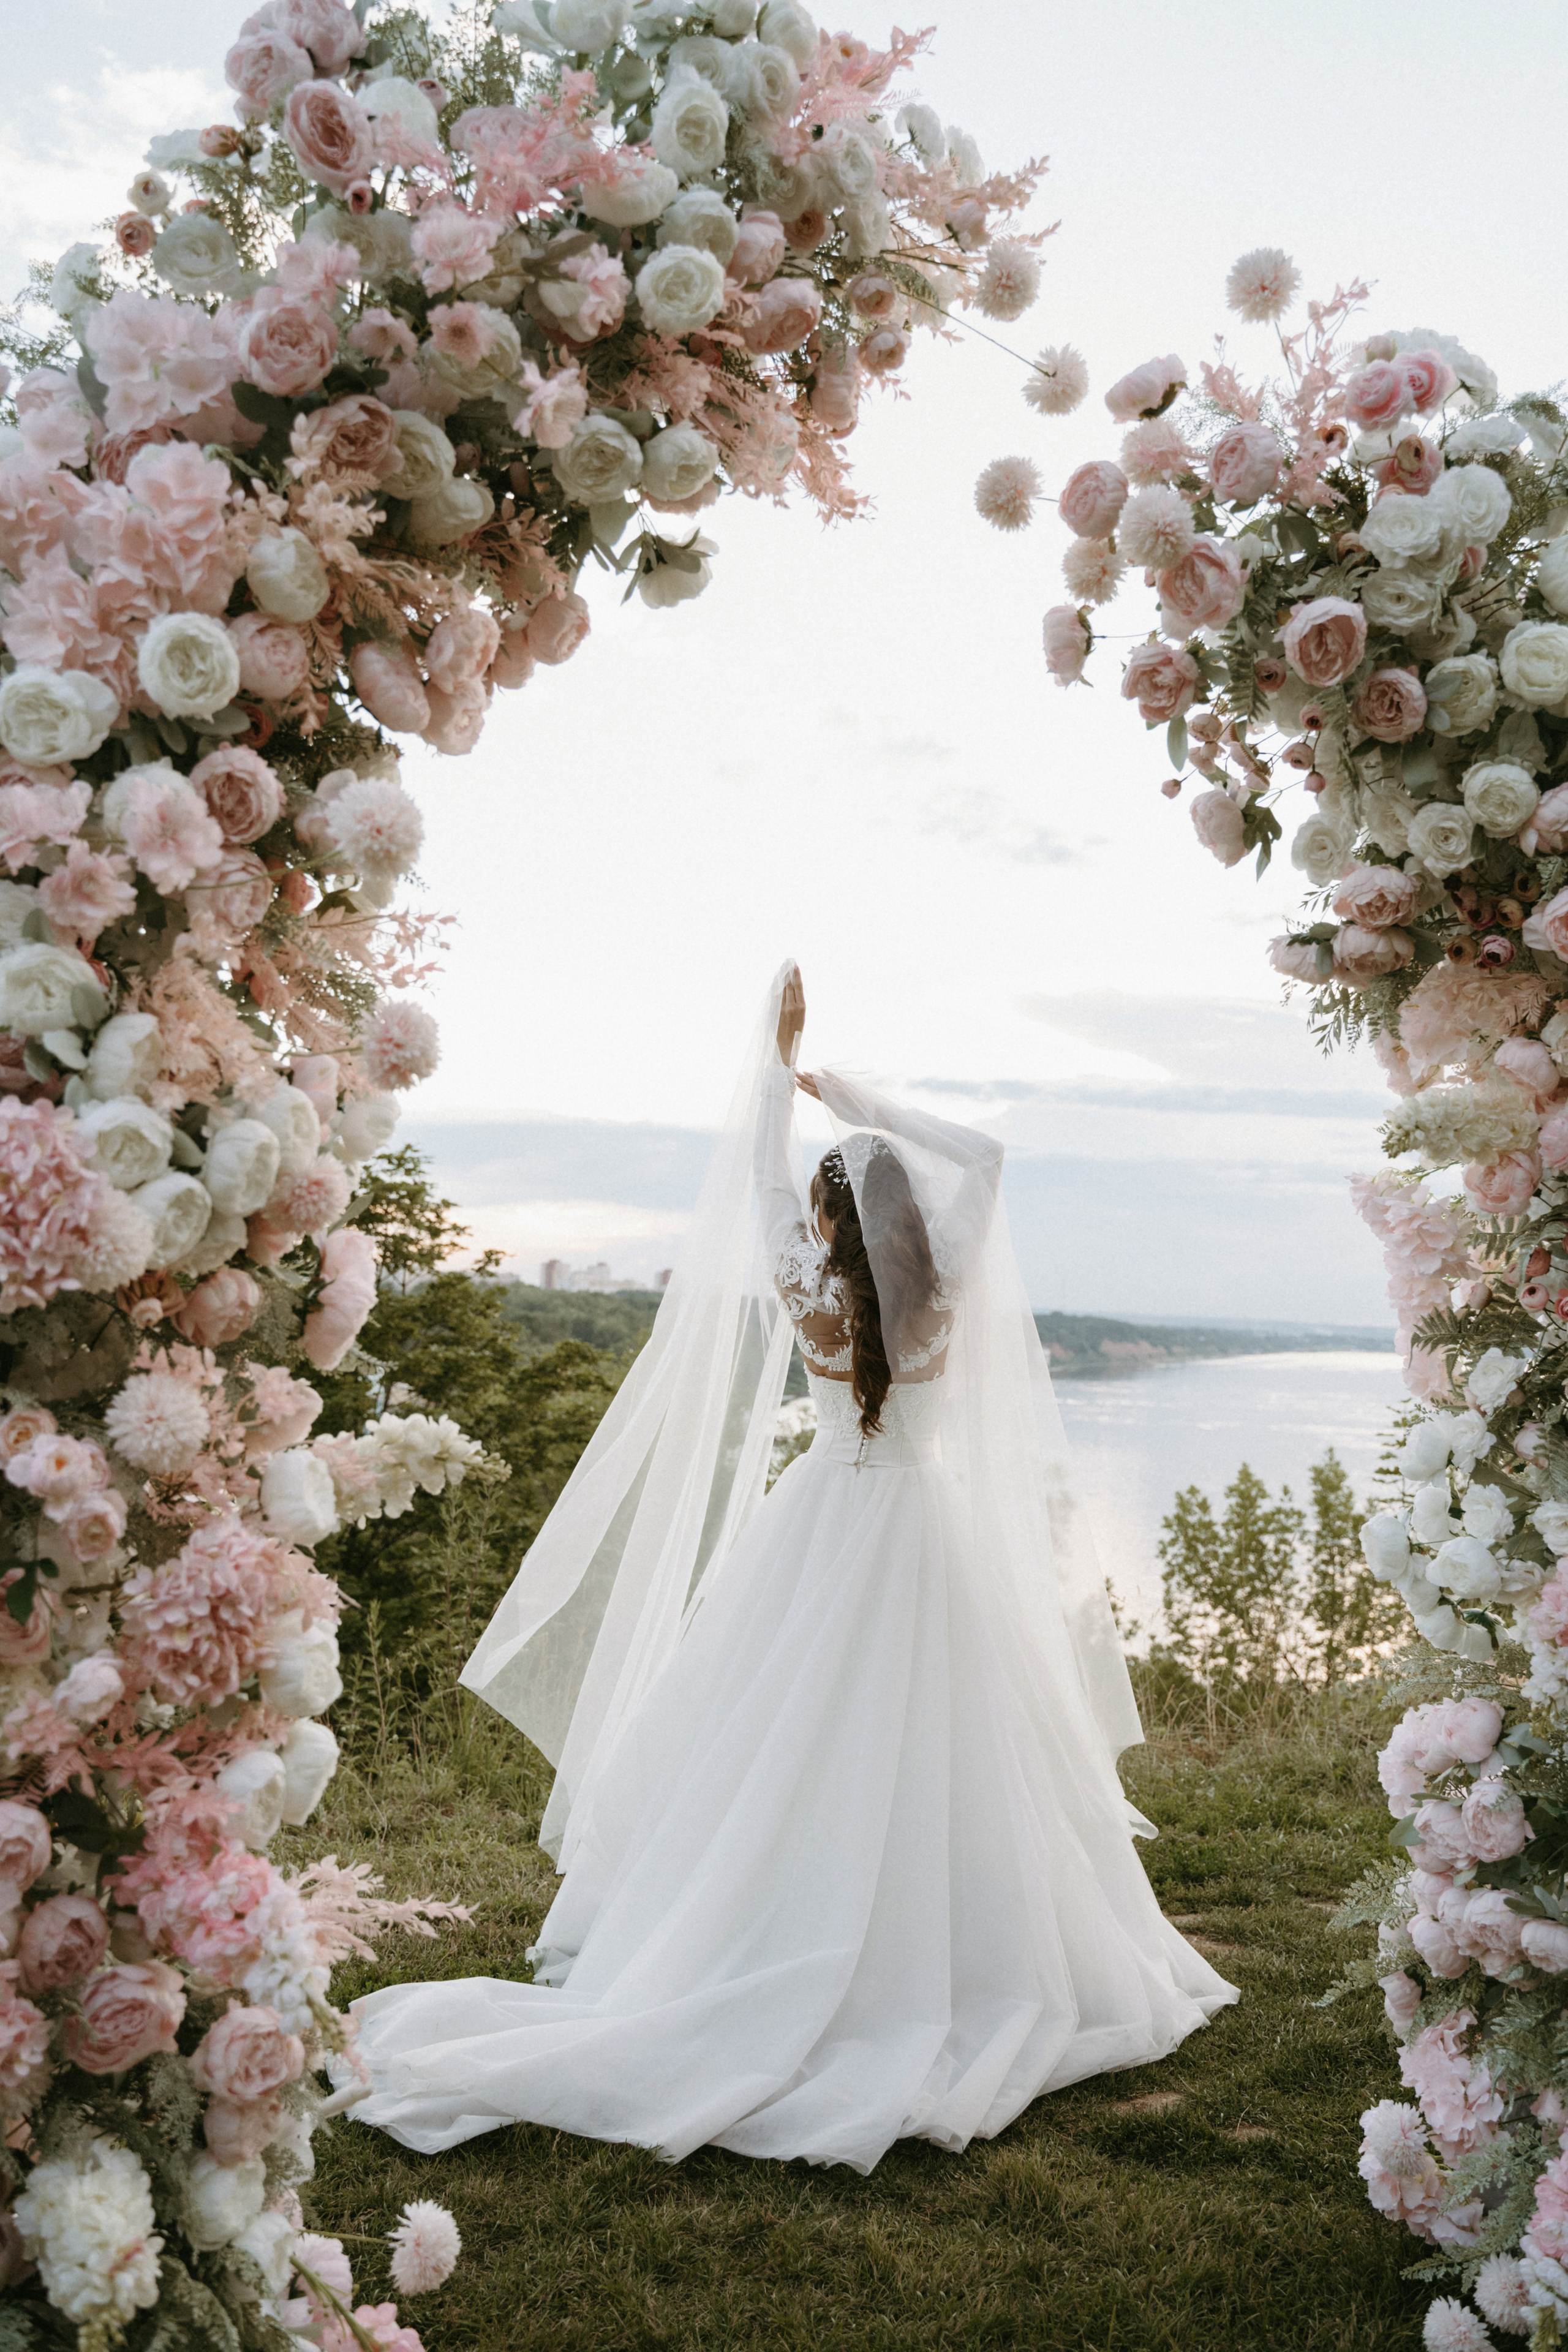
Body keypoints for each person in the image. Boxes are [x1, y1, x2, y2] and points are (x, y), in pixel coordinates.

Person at [341, 967, 1235, 2171]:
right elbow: (983, 1156)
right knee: (949, 1744)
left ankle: (756, 1933)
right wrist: (857, 1097)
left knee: (779, 1739)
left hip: (821, 1522)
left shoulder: (801, 1281)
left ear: (825, 1222)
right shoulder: (945, 1276)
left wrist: (782, 1070)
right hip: (926, 1533)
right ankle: (965, 1956)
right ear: (901, 1214)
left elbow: (760, 1175)